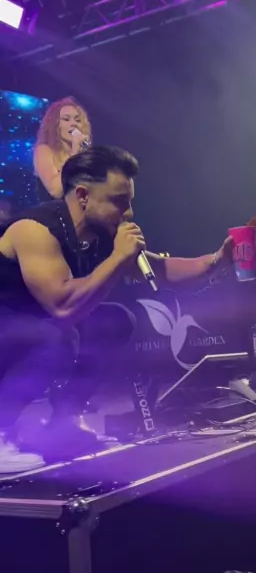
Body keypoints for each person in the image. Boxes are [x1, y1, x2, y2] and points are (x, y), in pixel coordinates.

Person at [0, 145, 230, 475]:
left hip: (32, 324)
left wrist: (216, 261)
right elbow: (62, 306)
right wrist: (119, 258)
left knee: (115, 320)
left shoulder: (100, 235)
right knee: (51, 335)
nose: (129, 212)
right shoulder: (35, 230)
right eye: (119, 201)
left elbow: (162, 269)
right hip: (10, 324)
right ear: (83, 196)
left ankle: (64, 421)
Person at [34, 97, 92, 200]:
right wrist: (74, 153)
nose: (74, 124)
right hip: (52, 209)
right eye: (66, 119)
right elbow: (55, 191)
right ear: (55, 125)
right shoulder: (44, 150)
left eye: (78, 120)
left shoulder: (83, 156)